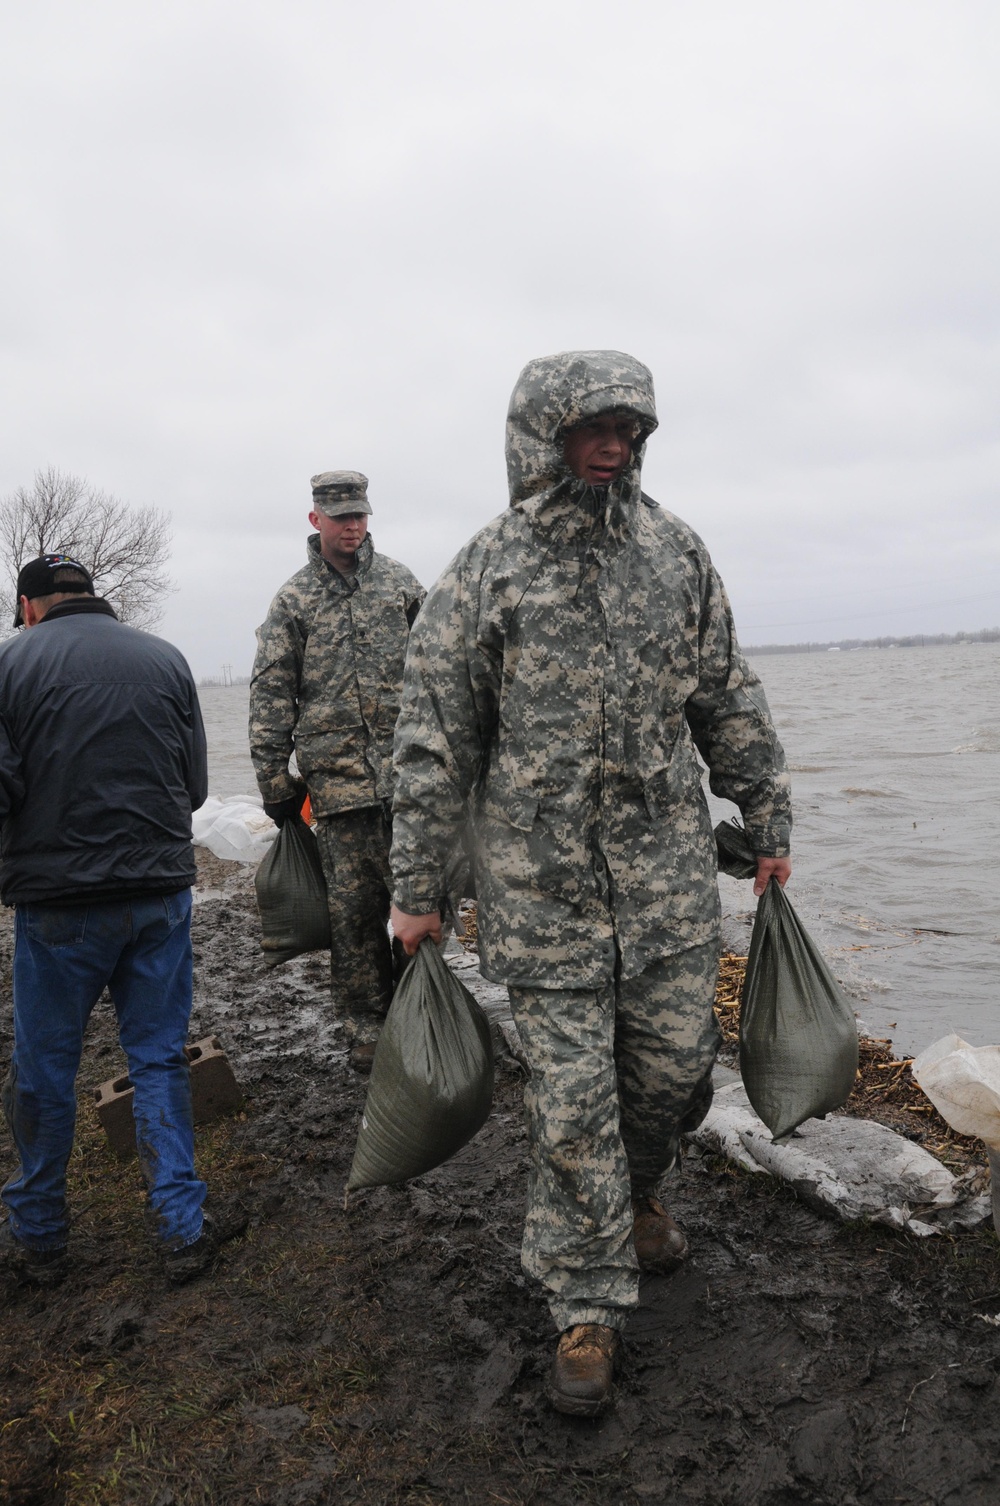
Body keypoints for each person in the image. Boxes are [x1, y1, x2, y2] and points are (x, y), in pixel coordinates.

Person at [389, 351, 792, 1416]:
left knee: (673, 1076)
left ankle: (642, 1195)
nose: (613, 445)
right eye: (592, 428)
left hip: (664, 886)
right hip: (541, 894)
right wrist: (417, 886)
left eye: (628, 428)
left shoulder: (675, 554)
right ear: (541, 435)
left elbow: (726, 695)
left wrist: (766, 817)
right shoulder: (485, 573)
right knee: (571, 1107)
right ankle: (584, 1303)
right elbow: (433, 744)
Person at [0, 553, 240, 1288]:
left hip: (59, 905)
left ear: (29, 605)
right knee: (159, 1058)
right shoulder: (166, 660)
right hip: (160, 895)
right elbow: (197, 786)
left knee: (46, 1069)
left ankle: (40, 1237)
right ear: (91, 597)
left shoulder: (11, 666)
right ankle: (182, 1228)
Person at [249, 471, 425, 1073]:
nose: (353, 527)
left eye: (361, 516)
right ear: (316, 519)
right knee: (352, 922)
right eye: (341, 516)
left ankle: (421, 1015)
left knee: (422, 906)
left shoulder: (402, 585)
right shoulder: (293, 601)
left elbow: (441, 676)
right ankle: (367, 1031)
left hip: (411, 786)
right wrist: (274, 781)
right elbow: (271, 691)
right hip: (340, 789)